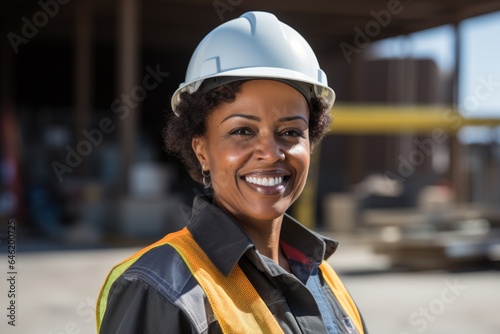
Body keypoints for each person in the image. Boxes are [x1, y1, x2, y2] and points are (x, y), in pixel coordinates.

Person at [96, 11, 368, 334]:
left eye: (291, 132)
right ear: (202, 151)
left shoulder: (325, 280)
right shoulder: (161, 291)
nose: (270, 152)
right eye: (242, 131)